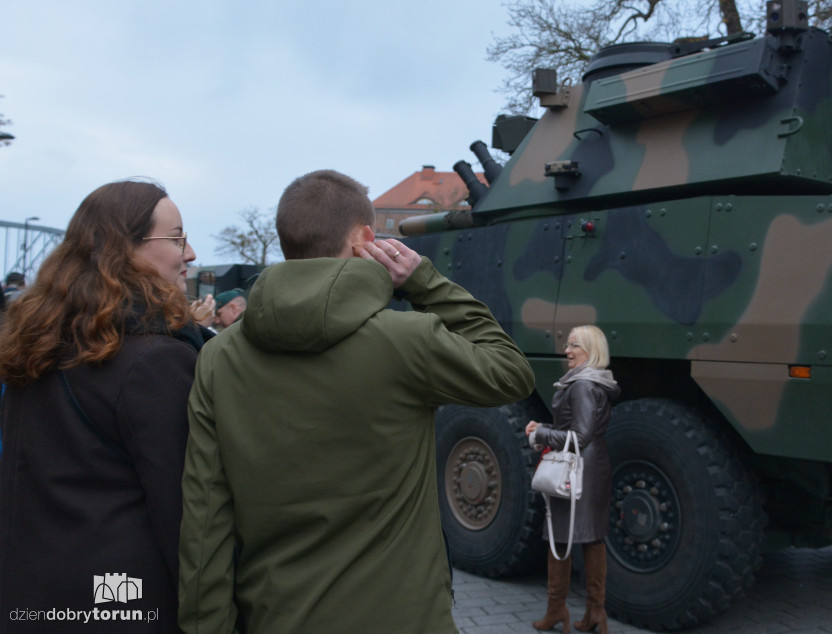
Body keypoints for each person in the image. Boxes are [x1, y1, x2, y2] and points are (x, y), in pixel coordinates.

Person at [178, 169, 535, 634]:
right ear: (364, 238)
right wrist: (425, 282)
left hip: (277, 616)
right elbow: (511, 373)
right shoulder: (406, 340)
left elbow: (205, 523)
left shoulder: (217, 358)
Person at [0, 180, 213, 632]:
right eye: (176, 238)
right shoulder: (157, 360)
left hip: (33, 595)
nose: (190, 253)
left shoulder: (36, 342)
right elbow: (186, 518)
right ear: (124, 249)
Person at [526, 325, 620, 634]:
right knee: (590, 538)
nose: (567, 350)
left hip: (576, 469)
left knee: (558, 538)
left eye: (574, 345)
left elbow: (579, 435)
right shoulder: (594, 382)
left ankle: (557, 610)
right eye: (568, 344)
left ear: (590, 350)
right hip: (590, 467)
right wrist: (546, 428)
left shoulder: (581, 385)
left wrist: (540, 432)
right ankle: (594, 613)